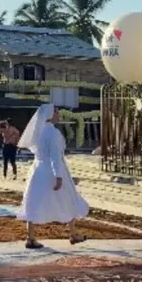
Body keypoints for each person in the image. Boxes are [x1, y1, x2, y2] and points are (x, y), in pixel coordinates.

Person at [16, 104, 88, 249]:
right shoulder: (53, 133)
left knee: (33, 201)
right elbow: (55, 156)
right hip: (52, 170)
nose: (58, 114)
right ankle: (74, 234)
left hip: (37, 169)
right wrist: (58, 176)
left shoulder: (38, 131)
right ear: (50, 115)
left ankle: (30, 237)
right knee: (68, 199)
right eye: (56, 112)